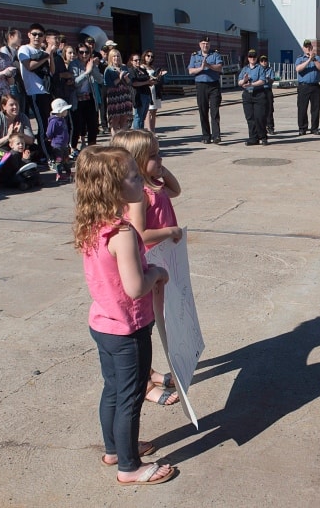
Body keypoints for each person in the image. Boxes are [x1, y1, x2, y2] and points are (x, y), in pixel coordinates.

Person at [73, 145, 177, 485]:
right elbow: (135, 287)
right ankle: (129, 467)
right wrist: (157, 273)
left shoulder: (92, 224)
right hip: (128, 330)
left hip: (103, 324)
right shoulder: (123, 234)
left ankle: (115, 450)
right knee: (131, 398)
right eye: (134, 177)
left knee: (113, 390)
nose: (141, 181)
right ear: (114, 188)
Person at [111, 130, 182, 407]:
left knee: (154, 320)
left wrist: (159, 167)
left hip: (162, 260)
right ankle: (146, 384)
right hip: (149, 263)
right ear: (136, 162)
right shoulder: (139, 195)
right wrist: (170, 231)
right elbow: (141, 233)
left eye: (159, 152)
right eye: (153, 155)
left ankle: (149, 372)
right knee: (146, 324)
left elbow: (176, 190)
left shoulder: (154, 185)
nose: (160, 158)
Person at [18, 23, 56, 164]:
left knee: (49, 124)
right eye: (34, 34)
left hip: (46, 91)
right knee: (42, 125)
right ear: (29, 35)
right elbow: (29, 66)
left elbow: (52, 71)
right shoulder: (24, 49)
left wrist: (49, 55)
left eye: (40, 35)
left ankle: (47, 152)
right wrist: (46, 55)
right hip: (33, 92)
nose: (37, 37)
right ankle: (46, 155)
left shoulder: (43, 51)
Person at [188, 36, 223, 144]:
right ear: (199, 44)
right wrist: (201, 68)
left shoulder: (215, 54)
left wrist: (208, 65)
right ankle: (206, 136)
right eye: (203, 43)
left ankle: (216, 136)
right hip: (201, 85)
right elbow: (191, 71)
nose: (205, 45)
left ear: (210, 44)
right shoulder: (194, 55)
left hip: (213, 85)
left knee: (214, 111)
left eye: (207, 43)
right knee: (203, 111)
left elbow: (219, 67)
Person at [69, 43, 103, 152]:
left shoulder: (91, 63)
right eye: (81, 52)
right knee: (77, 125)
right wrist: (87, 72)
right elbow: (75, 83)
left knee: (93, 125)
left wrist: (92, 68)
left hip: (90, 98)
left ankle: (92, 147)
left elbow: (100, 80)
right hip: (77, 99)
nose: (84, 55)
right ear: (77, 53)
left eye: (86, 52)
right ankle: (73, 148)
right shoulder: (73, 64)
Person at [237, 49, 268, 146]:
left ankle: (263, 137)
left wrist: (251, 84)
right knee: (250, 118)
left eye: (254, 56)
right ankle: (253, 138)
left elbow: (262, 81)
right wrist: (244, 80)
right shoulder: (245, 69)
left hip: (258, 94)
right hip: (247, 95)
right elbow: (239, 82)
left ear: (256, 57)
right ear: (248, 58)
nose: (252, 58)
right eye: (250, 56)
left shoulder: (260, 68)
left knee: (259, 117)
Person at [295, 39, 320, 135]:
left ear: (312, 47)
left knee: (315, 108)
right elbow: (298, 69)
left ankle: (314, 128)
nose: (308, 48)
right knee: (302, 108)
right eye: (306, 47)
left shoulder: (318, 58)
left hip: (315, 86)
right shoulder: (300, 58)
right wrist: (308, 60)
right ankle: (302, 128)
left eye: (309, 46)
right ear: (303, 48)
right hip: (304, 86)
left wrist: (314, 59)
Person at [103, 49, 133, 136]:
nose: (116, 58)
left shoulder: (124, 67)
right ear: (110, 58)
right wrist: (119, 77)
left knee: (124, 119)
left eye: (118, 56)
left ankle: (123, 139)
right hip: (114, 97)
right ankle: (115, 140)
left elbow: (130, 83)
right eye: (114, 56)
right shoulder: (108, 70)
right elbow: (109, 84)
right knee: (115, 120)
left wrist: (127, 79)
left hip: (125, 95)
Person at [46, 98, 73, 182]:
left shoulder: (62, 119)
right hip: (57, 145)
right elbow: (49, 132)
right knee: (59, 160)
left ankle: (68, 173)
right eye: (65, 110)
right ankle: (59, 174)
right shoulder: (54, 121)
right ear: (60, 111)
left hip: (64, 144)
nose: (67, 111)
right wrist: (50, 138)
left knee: (66, 160)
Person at [127, 53, 155, 130]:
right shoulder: (131, 70)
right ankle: (136, 134)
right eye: (135, 60)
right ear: (131, 61)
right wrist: (147, 82)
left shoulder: (142, 70)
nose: (138, 61)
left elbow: (148, 79)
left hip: (146, 94)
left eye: (139, 60)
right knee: (138, 116)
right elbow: (134, 83)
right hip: (138, 95)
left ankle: (141, 132)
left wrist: (153, 80)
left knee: (143, 116)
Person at [142, 50, 166, 133]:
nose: (150, 58)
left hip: (155, 90)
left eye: (152, 56)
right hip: (148, 90)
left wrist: (159, 75)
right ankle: (149, 131)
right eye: (148, 56)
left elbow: (156, 79)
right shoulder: (142, 67)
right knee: (148, 111)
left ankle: (153, 130)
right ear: (144, 56)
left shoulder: (153, 67)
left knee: (154, 111)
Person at [258, 55, 275, 134]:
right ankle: (261, 127)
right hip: (260, 90)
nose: (264, 62)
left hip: (267, 90)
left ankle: (270, 127)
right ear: (259, 62)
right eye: (262, 61)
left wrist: (268, 79)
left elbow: (272, 80)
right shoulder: (257, 70)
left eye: (265, 61)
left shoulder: (270, 70)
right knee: (260, 110)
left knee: (269, 109)